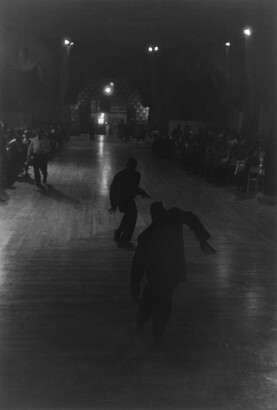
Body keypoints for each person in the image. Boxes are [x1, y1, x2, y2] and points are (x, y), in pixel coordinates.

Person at [130, 201, 216, 343]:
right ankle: (156, 333)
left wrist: (134, 288)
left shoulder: (146, 237)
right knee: (164, 300)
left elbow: (137, 266)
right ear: (164, 209)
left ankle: (142, 321)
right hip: (172, 271)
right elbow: (191, 218)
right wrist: (203, 240)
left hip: (156, 274)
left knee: (150, 297)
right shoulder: (173, 216)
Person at [109, 158, 151, 249]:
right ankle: (124, 241)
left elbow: (112, 190)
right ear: (135, 166)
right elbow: (133, 189)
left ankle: (119, 232)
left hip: (121, 200)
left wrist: (113, 204)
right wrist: (142, 192)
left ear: (127, 164)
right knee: (132, 218)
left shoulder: (119, 175)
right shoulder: (136, 175)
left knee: (129, 215)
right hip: (127, 199)